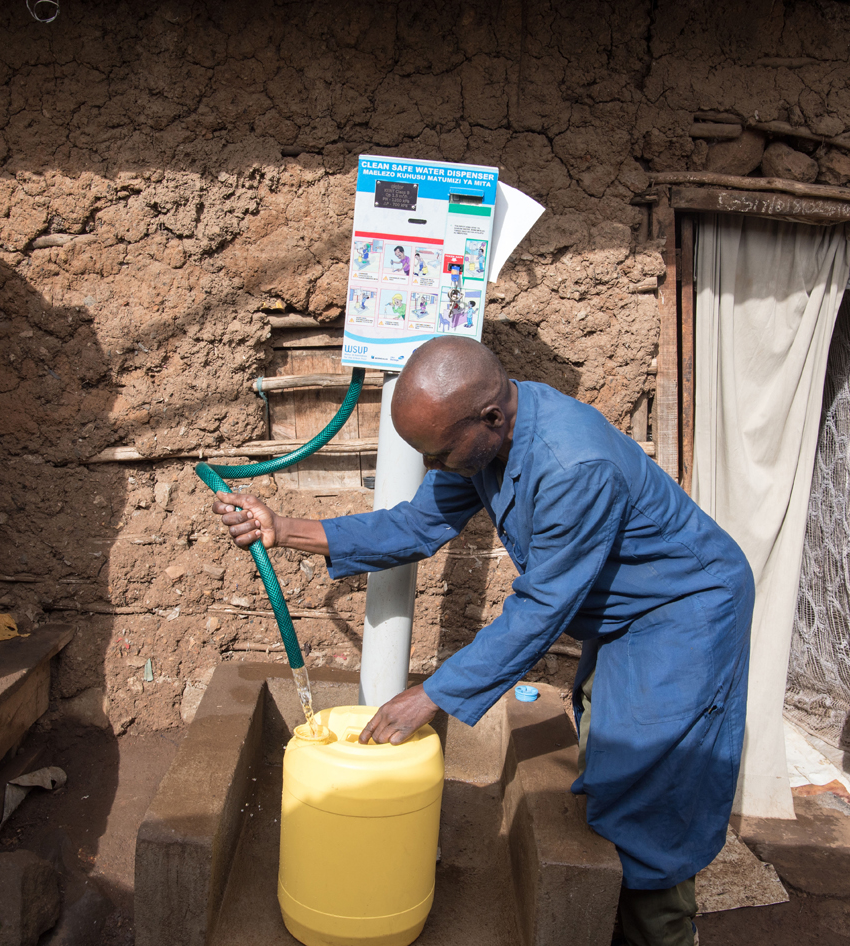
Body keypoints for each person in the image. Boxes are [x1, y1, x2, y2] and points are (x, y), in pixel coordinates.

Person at [213, 337, 753, 946]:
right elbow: (415, 525)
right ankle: (621, 904)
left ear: (490, 417)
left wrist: (431, 696)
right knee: (612, 756)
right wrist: (283, 528)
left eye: (438, 454)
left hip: (683, 611)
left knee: (653, 788)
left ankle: (661, 929)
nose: (432, 467)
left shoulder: (574, 466)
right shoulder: (477, 443)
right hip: (626, 611)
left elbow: (541, 608)